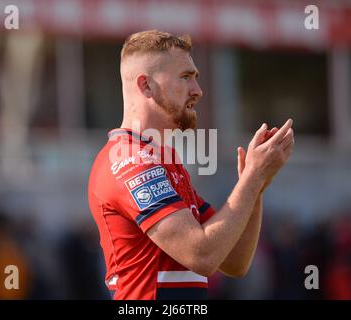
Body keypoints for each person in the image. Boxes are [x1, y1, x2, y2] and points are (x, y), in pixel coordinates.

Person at [88, 30, 294, 300]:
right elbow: (202, 255)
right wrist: (252, 179)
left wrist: (256, 185)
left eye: (195, 77)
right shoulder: (130, 159)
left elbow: (234, 262)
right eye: (185, 77)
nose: (197, 90)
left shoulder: (165, 162)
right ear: (146, 86)